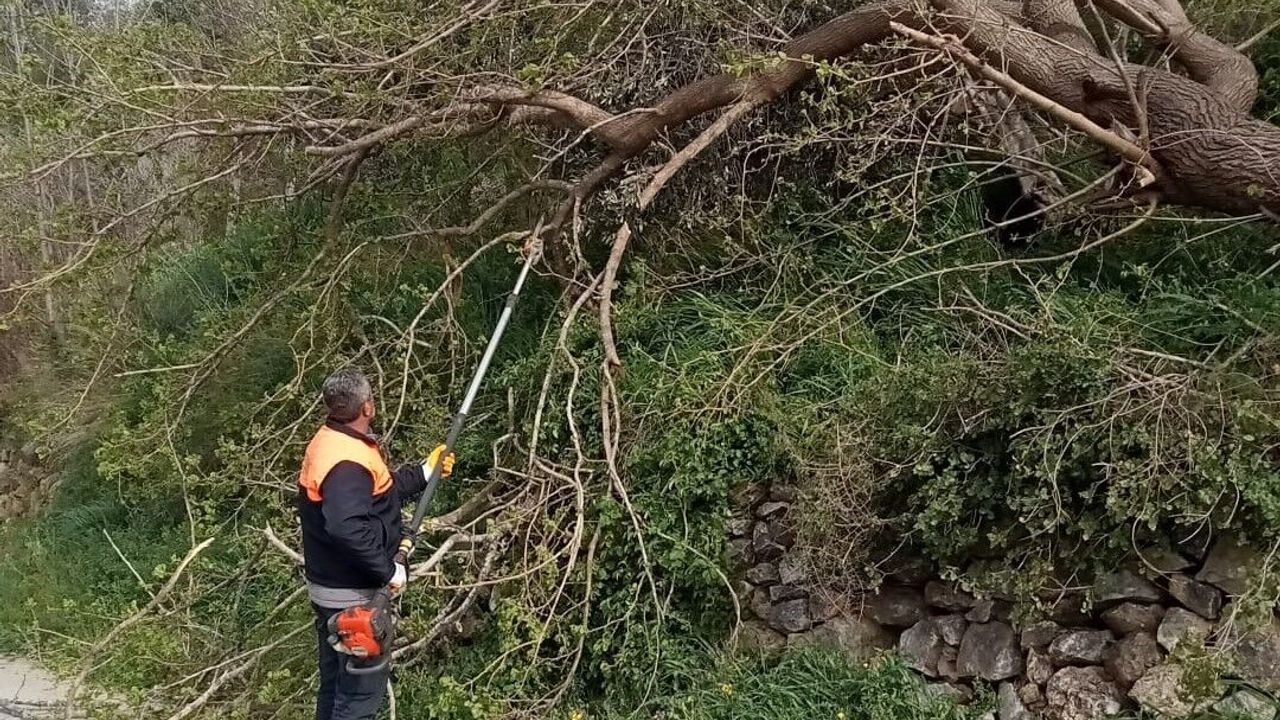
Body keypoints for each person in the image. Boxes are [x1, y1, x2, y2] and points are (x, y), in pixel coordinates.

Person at [297, 368, 453, 720]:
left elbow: (378, 493)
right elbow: (346, 527)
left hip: (329, 591)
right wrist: (388, 570)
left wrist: (425, 472)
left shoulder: (332, 442)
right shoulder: (346, 464)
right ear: (367, 406)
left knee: (335, 688)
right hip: (352, 598)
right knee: (358, 699)